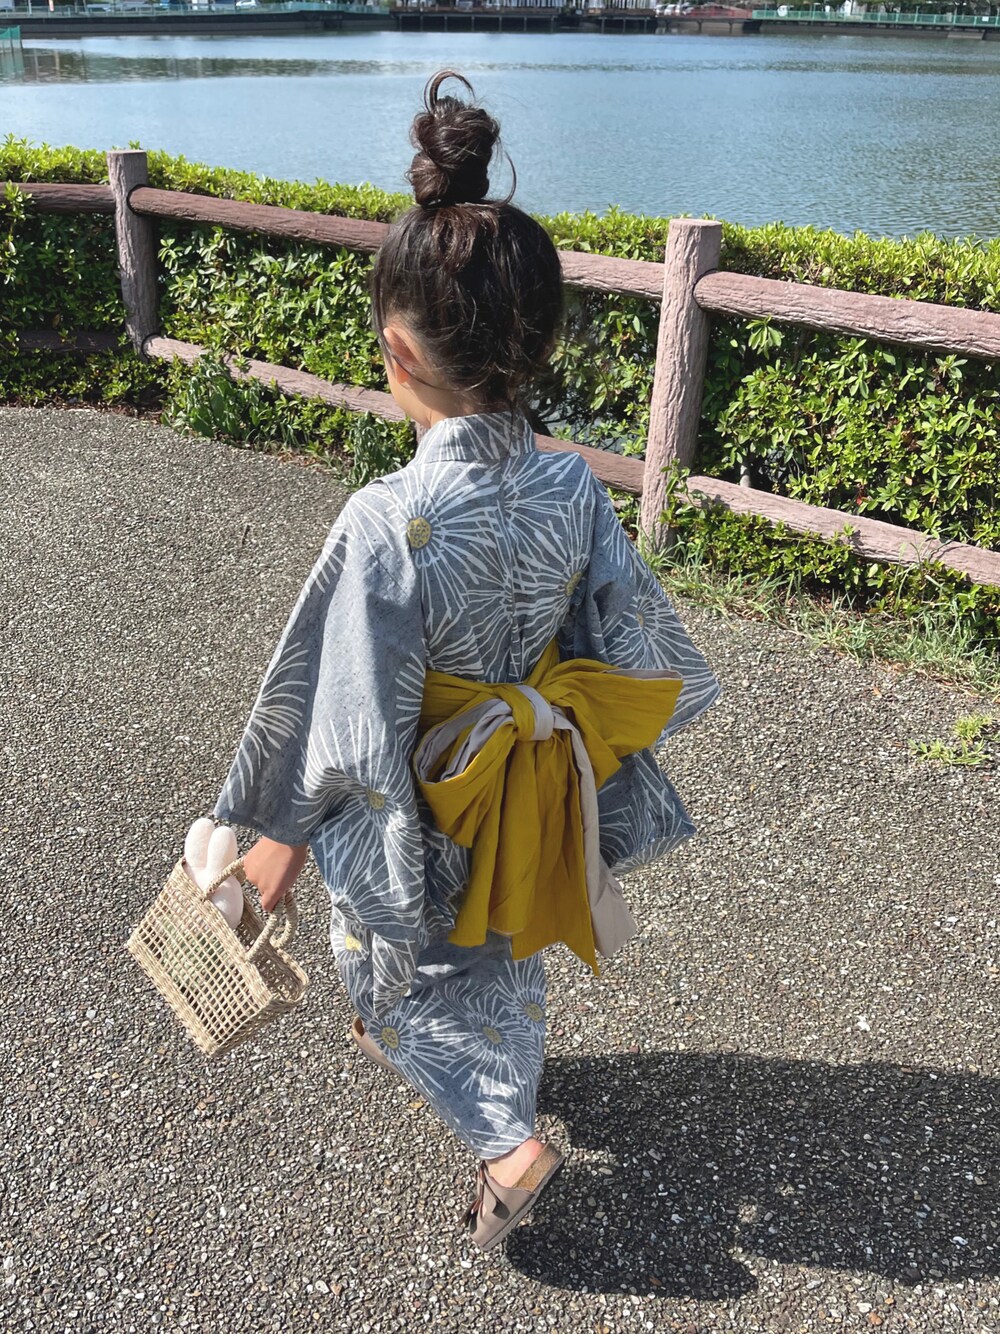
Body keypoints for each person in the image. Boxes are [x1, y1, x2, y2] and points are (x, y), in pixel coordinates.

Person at [214, 70, 719, 1251]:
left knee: (396, 965)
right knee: (499, 935)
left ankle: (507, 1145)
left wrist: (272, 850)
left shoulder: (387, 520)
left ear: (396, 349)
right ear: (533, 345)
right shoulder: (568, 483)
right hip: (527, 777)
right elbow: (627, 636)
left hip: (426, 788)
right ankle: (503, 1072)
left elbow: (343, 718)